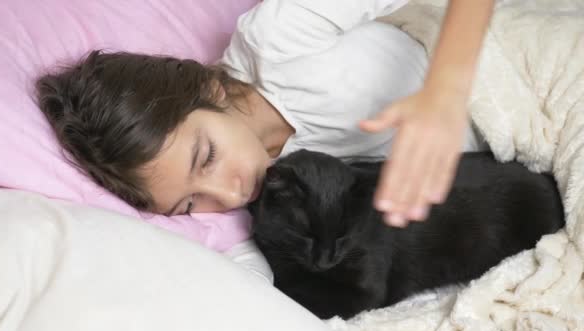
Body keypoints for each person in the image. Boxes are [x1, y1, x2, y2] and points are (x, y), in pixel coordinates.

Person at [36, 0, 493, 233]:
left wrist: (444, 93)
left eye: (208, 156)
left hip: (508, 63)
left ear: (208, 89)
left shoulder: (279, 39)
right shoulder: (280, 204)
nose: (229, 194)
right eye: (191, 205)